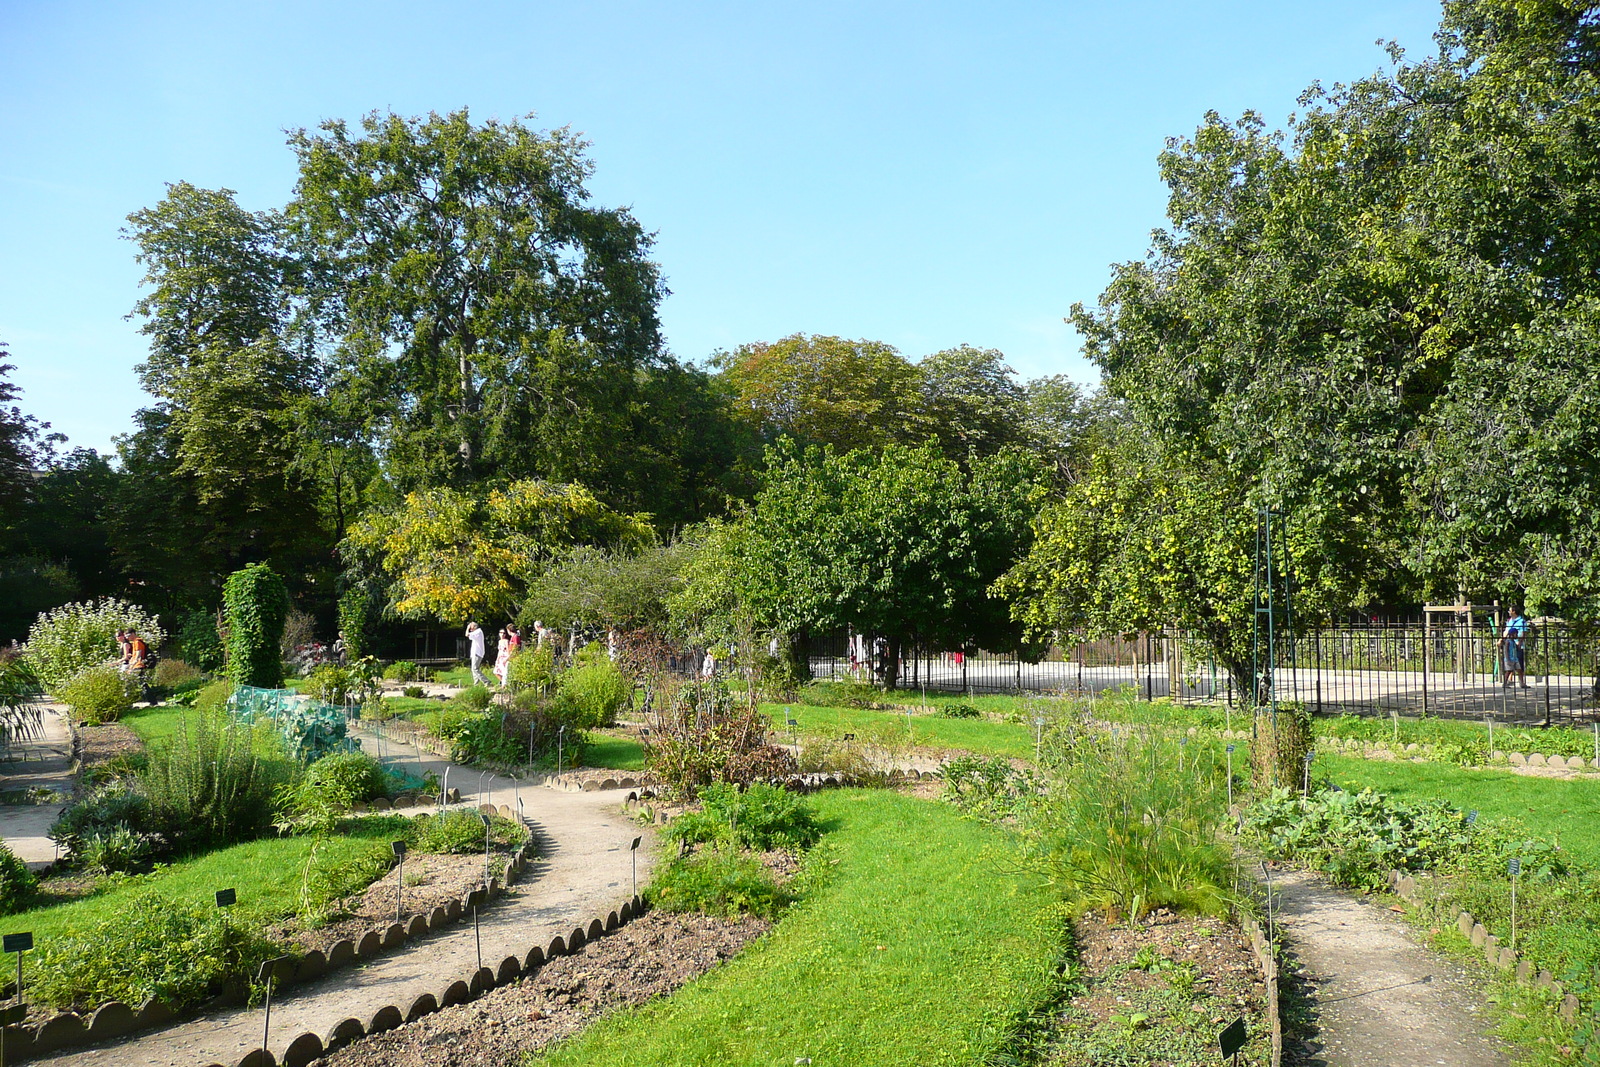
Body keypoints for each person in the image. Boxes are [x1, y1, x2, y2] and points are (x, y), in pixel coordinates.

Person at [1501, 606, 1531, 689]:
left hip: (1518, 645)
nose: (1508, 612)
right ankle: (1506, 682)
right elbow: (1506, 631)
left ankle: (1521, 682)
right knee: (1509, 669)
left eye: (1509, 610)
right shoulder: (1509, 621)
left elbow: (1523, 633)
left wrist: (1520, 643)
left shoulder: (1521, 621)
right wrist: (1502, 639)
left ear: (1514, 611)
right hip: (1510, 650)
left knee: (1520, 666)